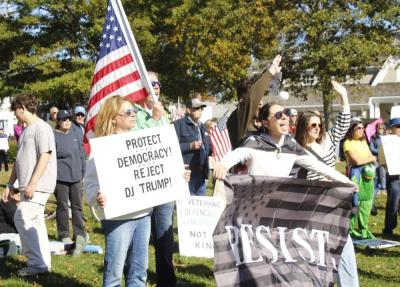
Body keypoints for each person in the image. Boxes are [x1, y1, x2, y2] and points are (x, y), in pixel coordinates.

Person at [294, 81, 358, 287]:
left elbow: (343, 122)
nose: (317, 128)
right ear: (304, 126)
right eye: (313, 125)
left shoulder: (327, 141)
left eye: (319, 124)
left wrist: (344, 96)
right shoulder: (296, 150)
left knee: (345, 248)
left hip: (336, 203)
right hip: (314, 207)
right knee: (319, 254)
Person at [85, 96, 151, 287]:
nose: (133, 115)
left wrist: (177, 177)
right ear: (114, 118)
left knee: (139, 274)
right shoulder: (103, 147)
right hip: (118, 218)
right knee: (114, 275)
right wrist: (97, 198)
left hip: (144, 214)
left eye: (134, 111)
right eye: (128, 112)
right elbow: (89, 184)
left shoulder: (142, 142)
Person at [213, 101, 355, 184]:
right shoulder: (254, 142)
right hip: (254, 206)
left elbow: (319, 167)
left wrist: (346, 181)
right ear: (265, 123)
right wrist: (222, 165)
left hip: (278, 206)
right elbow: (236, 155)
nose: (285, 118)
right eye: (278, 115)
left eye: (286, 113)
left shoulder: (291, 146)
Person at [2, 94, 56, 277]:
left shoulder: (43, 128)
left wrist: (33, 183)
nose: (15, 115)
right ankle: (43, 264)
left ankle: (35, 264)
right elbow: (18, 162)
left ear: (22, 108)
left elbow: (45, 155)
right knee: (36, 224)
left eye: (16, 111)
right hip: (27, 186)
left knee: (22, 218)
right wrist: (10, 184)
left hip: (39, 186)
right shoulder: (25, 131)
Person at [226, 55, 282, 149]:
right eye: (256, 100)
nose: (260, 103)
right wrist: (271, 72)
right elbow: (252, 98)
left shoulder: (259, 122)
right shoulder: (238, 117)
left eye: (260, 99)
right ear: (241, 102)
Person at [54, 110, 86, 254]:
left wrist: (83, 174)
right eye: (64, 119)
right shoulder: (53, 136)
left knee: (77, 207)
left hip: (76, 177)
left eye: (68, 118)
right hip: (60, 177)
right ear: (58, 121)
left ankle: (80, 235)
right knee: (62, 207)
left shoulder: (75, 133)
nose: (67, 121)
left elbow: (81, 154)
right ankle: (64, 235)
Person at [343, 118, 377, 240]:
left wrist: (369, 159)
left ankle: (364, 229)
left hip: (368, 176)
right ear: (352, 130)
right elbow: (356, 161)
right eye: (358, 128)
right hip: (356, 175)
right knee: (355, 203)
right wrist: (371, 159)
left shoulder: (364, 142)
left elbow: (368, 157)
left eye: (363, 128)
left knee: (367, 202)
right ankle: (351, 230)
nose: (361, 130)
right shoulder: (347, 143)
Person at [174, 98, 212, 196]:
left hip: (201, 172)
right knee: (188, 206)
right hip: (186, 174)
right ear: (188, 110)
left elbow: (208, 147)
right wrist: (190, 146)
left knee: (200, 206)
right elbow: (171, 148)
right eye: (197, 108)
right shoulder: (178, 124)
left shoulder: (202, 127)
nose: (200, 110)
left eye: (201, 108)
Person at [382, 117, 400, 239]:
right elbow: (382, 161)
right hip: (394, 177)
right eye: (398, 127)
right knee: (393, 204)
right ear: (391, 128)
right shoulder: (386, 142)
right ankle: (388, 230)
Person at [369, 122, 387, 216]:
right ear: (376, 128)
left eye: (382, 128)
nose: (381, 130)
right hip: (376, 160)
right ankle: (372, 203)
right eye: (379, 128)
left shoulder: (386, 137)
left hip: (384, 160)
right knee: (375, 179)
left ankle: (383, 188)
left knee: (383, 176)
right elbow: (371, 148)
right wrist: (380, 151)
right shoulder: (373, 138)